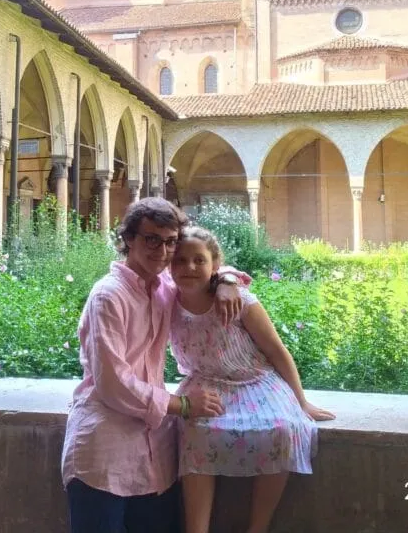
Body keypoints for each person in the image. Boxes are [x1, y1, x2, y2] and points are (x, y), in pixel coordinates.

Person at [61, 198, 246, 533]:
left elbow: (202, 270)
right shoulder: (108, 296)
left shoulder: (163, 288)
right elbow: (113, 383)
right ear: (129, 239)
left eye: (170, 242)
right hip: (104, 452)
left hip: (154, 458)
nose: (162, 251)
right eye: (151, 240)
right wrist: (184, 405)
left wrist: (227, 281)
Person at [170, 226, 336, 533]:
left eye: (199, 260)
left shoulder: (239, 301)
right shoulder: (166, 301)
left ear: (215, 264)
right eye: (179, 260)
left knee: (282, 430)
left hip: (256, 380)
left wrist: (301, 403)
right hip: (205, 383)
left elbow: (276, 350)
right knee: (195, 433)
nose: (189, 267)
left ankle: (258, 528)